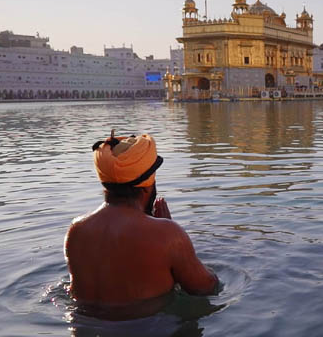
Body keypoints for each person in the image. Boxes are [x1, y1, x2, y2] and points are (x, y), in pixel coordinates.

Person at [64, 131, 218, 308]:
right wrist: (170, 233)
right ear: (147, 187)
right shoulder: (167, 235)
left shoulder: (76, 231)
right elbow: (205, 287)